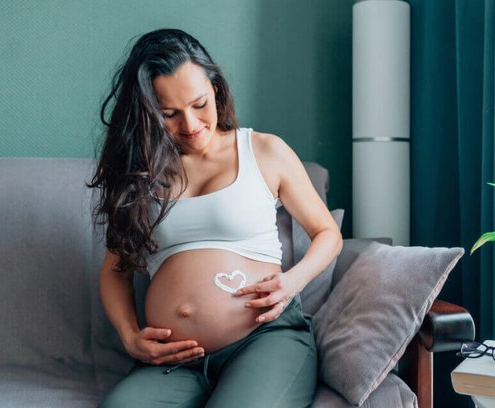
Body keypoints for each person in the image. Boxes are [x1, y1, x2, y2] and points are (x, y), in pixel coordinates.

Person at [89, 28, 342, 408]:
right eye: (169, 114)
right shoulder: (140, 177)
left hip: (264, 339)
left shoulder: (264, 150)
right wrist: (130, 336)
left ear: (217, 89)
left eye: (199, 104)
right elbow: (115, 271)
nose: (190, 125)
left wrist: (293, 282)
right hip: (175, 360)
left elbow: (327, 234)